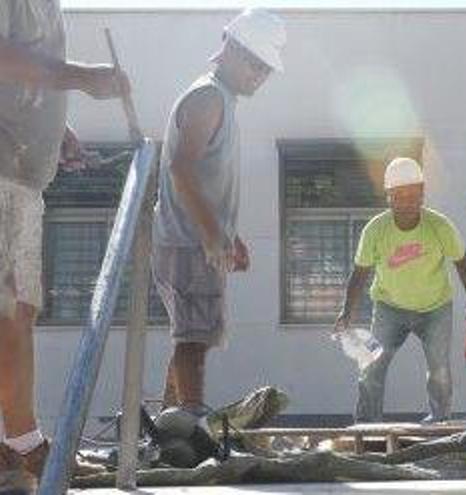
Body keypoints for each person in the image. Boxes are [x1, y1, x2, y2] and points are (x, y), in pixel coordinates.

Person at [0, 0, 129, 484]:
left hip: (21, 173)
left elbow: (23, 73)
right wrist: (81, 78)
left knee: (18, 310)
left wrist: (56, 126)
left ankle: (18, 443)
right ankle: (22, 444)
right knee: (9, 307)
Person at [152, 8, 286, 419]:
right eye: (254, 64)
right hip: (188, 241)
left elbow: (206, 179)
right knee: (193, 338)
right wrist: (212, 233)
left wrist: (229, 232)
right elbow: (181, 168)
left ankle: (168, 424)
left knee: (194, 336)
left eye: (265, 69)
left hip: (197, 238)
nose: (258, 76)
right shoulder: (208, 96)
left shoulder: (221, 99)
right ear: (229, 46)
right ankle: (188, 421)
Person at [335, 157, 466, 423]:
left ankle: (439, 421)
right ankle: (367, 425)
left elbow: (463, 263)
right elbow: (359, 273)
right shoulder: (375, 230)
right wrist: (347, 312)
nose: (405, 203)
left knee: (439, 370)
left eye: (412, 195)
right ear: (389, 197)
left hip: (435, 308)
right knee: (371, 366)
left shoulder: (439, 226)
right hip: (389, 308)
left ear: (422, 195)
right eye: (398, 196)